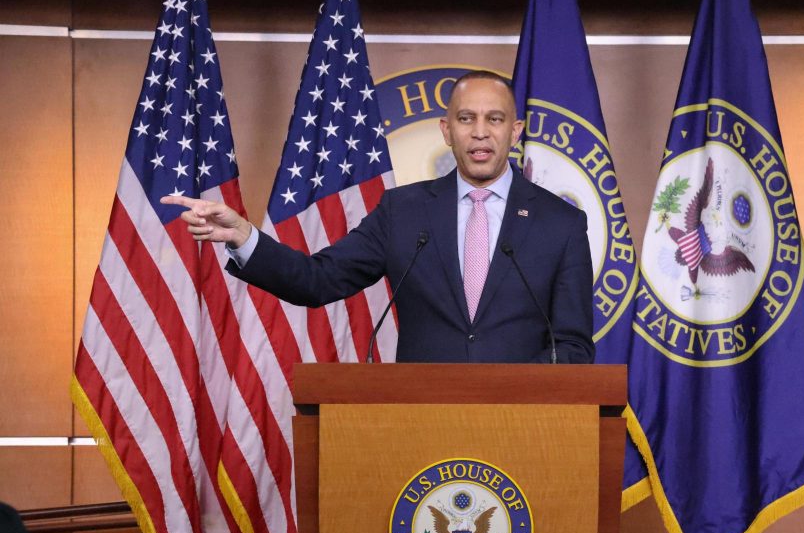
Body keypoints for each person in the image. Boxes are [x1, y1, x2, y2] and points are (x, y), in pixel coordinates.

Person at [162, 71, 595, 363]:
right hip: (419, 422)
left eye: (494, 119)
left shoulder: (561, 223)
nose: (480, 131)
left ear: (515, 132)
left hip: (524, 427)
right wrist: (243, 235)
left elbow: (574, 347)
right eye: (466, 118)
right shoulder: (403, 211)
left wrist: (511, 390)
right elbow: (317, 280)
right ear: (447, 131)